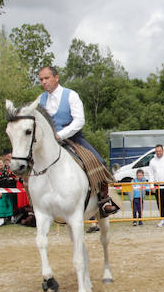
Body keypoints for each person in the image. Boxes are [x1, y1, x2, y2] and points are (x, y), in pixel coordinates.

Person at [37, 66, 119, 218]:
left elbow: (79, 121)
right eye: (41, 79)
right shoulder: (40, 99)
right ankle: (34, 204)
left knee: (99, 161)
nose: (44, 82)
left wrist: (60, 135)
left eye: (47, 78)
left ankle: (104, 200)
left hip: (73, 138)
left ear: (56, 77)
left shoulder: (71, 95)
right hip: (49, 143)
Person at [0, 158, 16, 227]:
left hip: (6, 192)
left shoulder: (7, 172)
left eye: (1, 163)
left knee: (6, 205)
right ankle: (1, 221)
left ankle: (7, 219)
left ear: (3, 163)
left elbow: (8, 182)